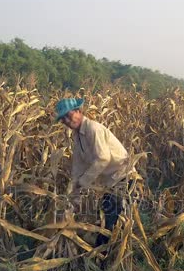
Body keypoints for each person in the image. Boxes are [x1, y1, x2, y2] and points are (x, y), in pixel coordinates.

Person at [55, 97, 136, 247]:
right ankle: (106, 251)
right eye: (63, 119)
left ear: (78, 111)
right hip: (110, 181)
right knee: (108, 216)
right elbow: (77, 167)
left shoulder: (93, 128)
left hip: (123, 176)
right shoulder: (77, 135)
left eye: (68, 115)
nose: (66, 120)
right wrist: (73, 194)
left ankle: (103, 255)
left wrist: (83, 182)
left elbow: (103, 158)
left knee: (110, 218)